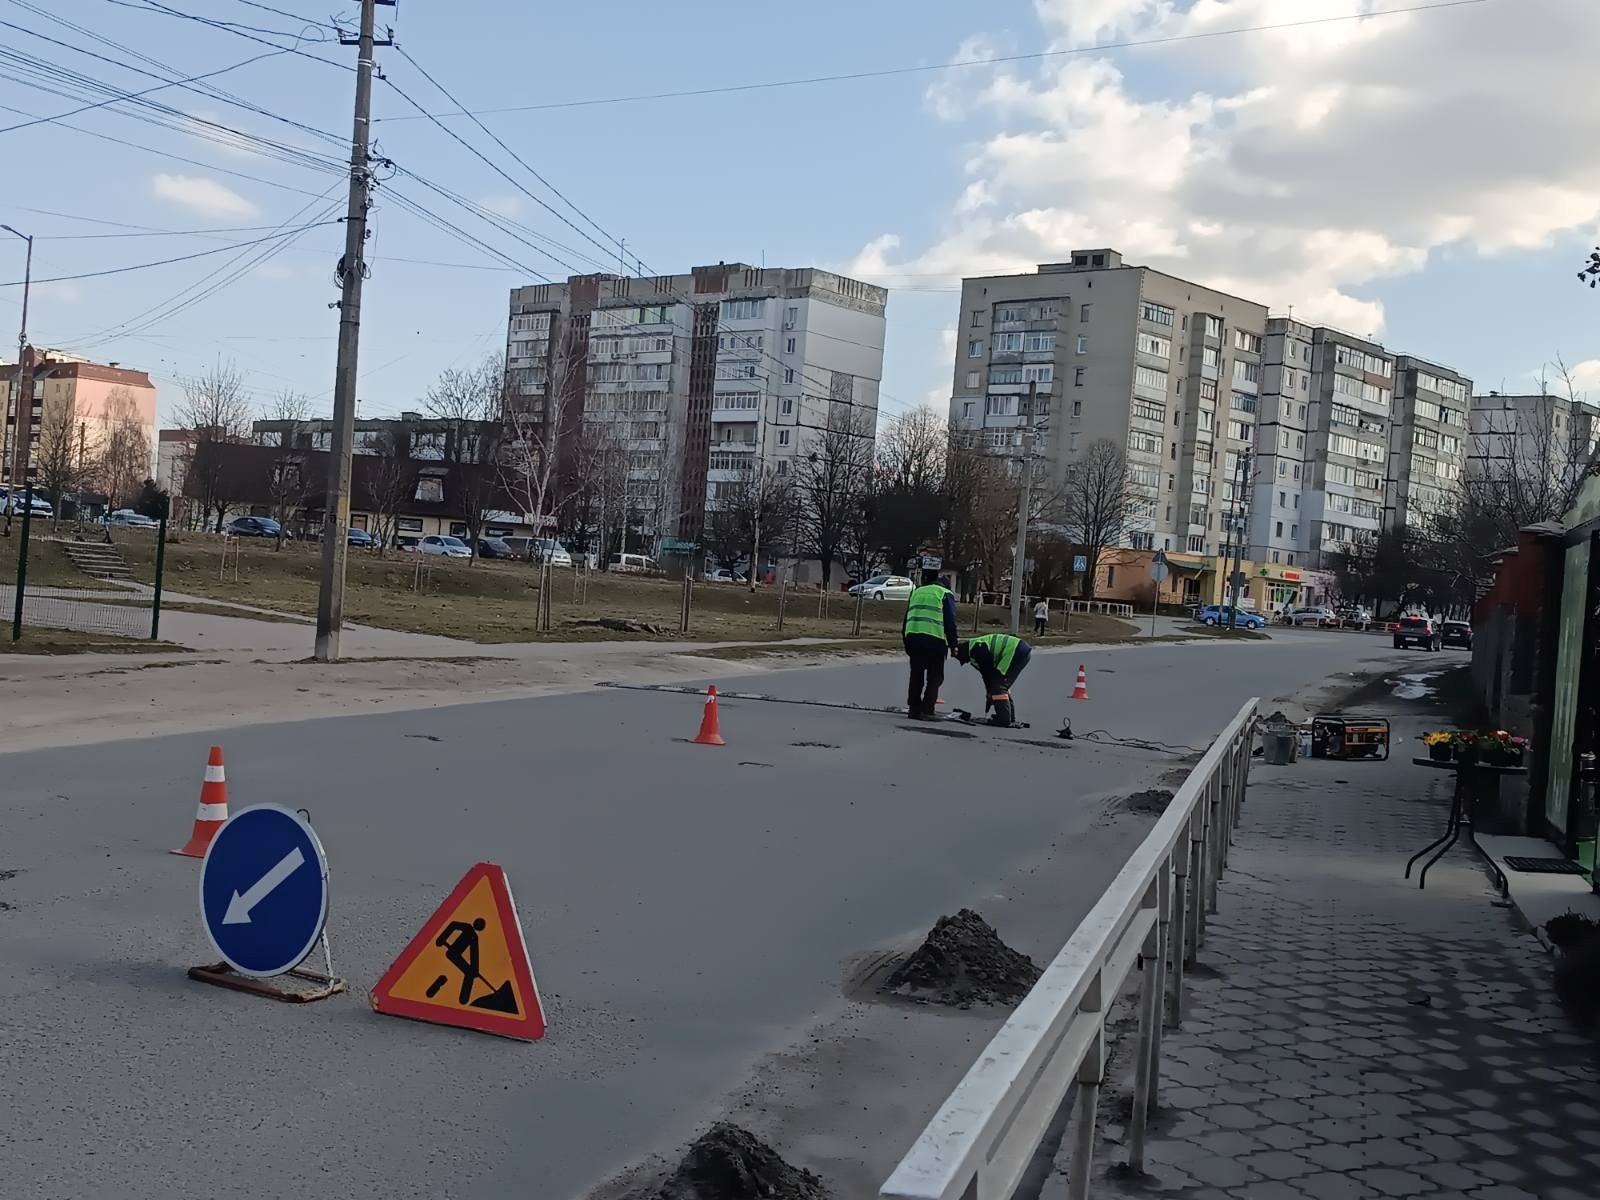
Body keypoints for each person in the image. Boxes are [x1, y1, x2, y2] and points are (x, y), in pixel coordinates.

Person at [902, 571, 959, 719]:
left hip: (913, 638)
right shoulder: (944, 593)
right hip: (934, 639)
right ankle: (927, 709)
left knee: (916, 675)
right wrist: (953, 645)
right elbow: (950, 622)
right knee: (935, 677)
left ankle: (914, 709)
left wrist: (906, 640)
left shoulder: (917, 592)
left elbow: (906, 618)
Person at [954, 632, 1033, 726]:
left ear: (963, 653)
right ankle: (1009, 717)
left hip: (1015, 650)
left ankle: (1003, 719)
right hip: (1021, 650)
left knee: (998, 685)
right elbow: (987, 674)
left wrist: (990, 693)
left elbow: (988, 674)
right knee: (1001, 683)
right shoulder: (974, 648)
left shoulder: (977, 649)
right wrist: (989, 692)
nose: (965, 662)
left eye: (963, 660)